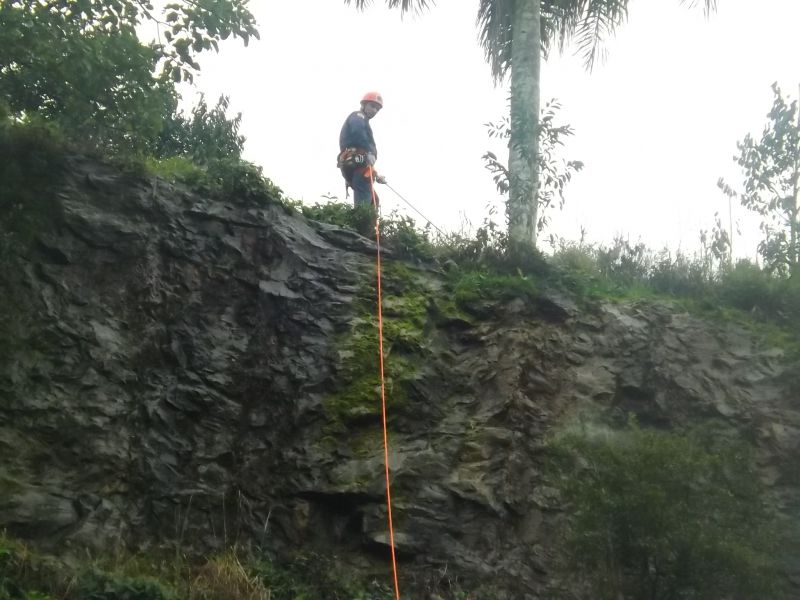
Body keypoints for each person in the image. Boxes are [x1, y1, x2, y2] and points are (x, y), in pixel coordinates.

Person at [337, 92, 387, 207]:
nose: (374, 110)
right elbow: (358, 132)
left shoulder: (362, 120)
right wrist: (370, 152)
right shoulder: (358, 116)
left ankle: (365, 217)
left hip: (358, 164)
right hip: (358, 164)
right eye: (372, 106)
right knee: (364, 202)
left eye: (377, 109)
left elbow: (365, 157)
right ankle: (362, 218)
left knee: (373, 201)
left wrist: (376, 175)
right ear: (364, 105)